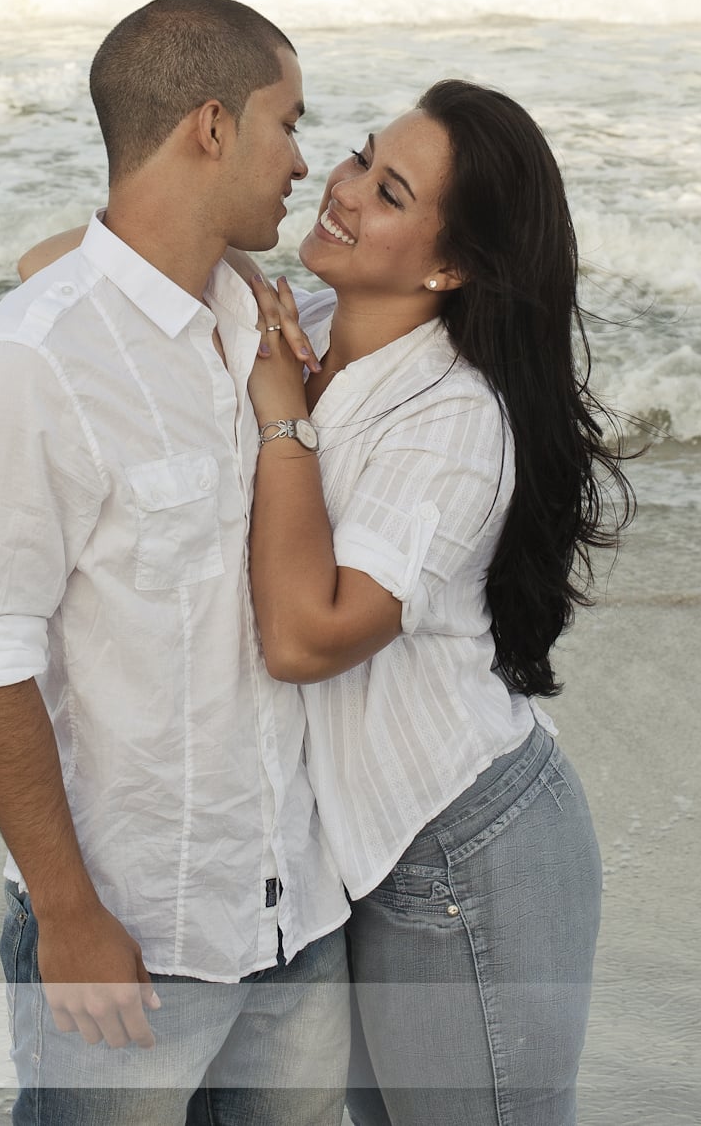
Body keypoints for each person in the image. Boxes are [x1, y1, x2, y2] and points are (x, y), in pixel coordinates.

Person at [0, 0, 351, 1125]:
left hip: (296, 920)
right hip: (130, 939)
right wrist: (68, 915)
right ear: (209, 128)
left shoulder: (259, 318)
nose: (304, 158)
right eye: (287, 121)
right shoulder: (32, 363)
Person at [237, 83, 627, 1125]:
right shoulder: (304, 321)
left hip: (463, 845)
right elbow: (62, 270)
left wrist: (282, 422)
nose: (345, 190)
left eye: (389, 189)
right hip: (363, 854)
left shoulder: (453, 415)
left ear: (447, 264)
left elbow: (305, 635)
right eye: (360, 157)